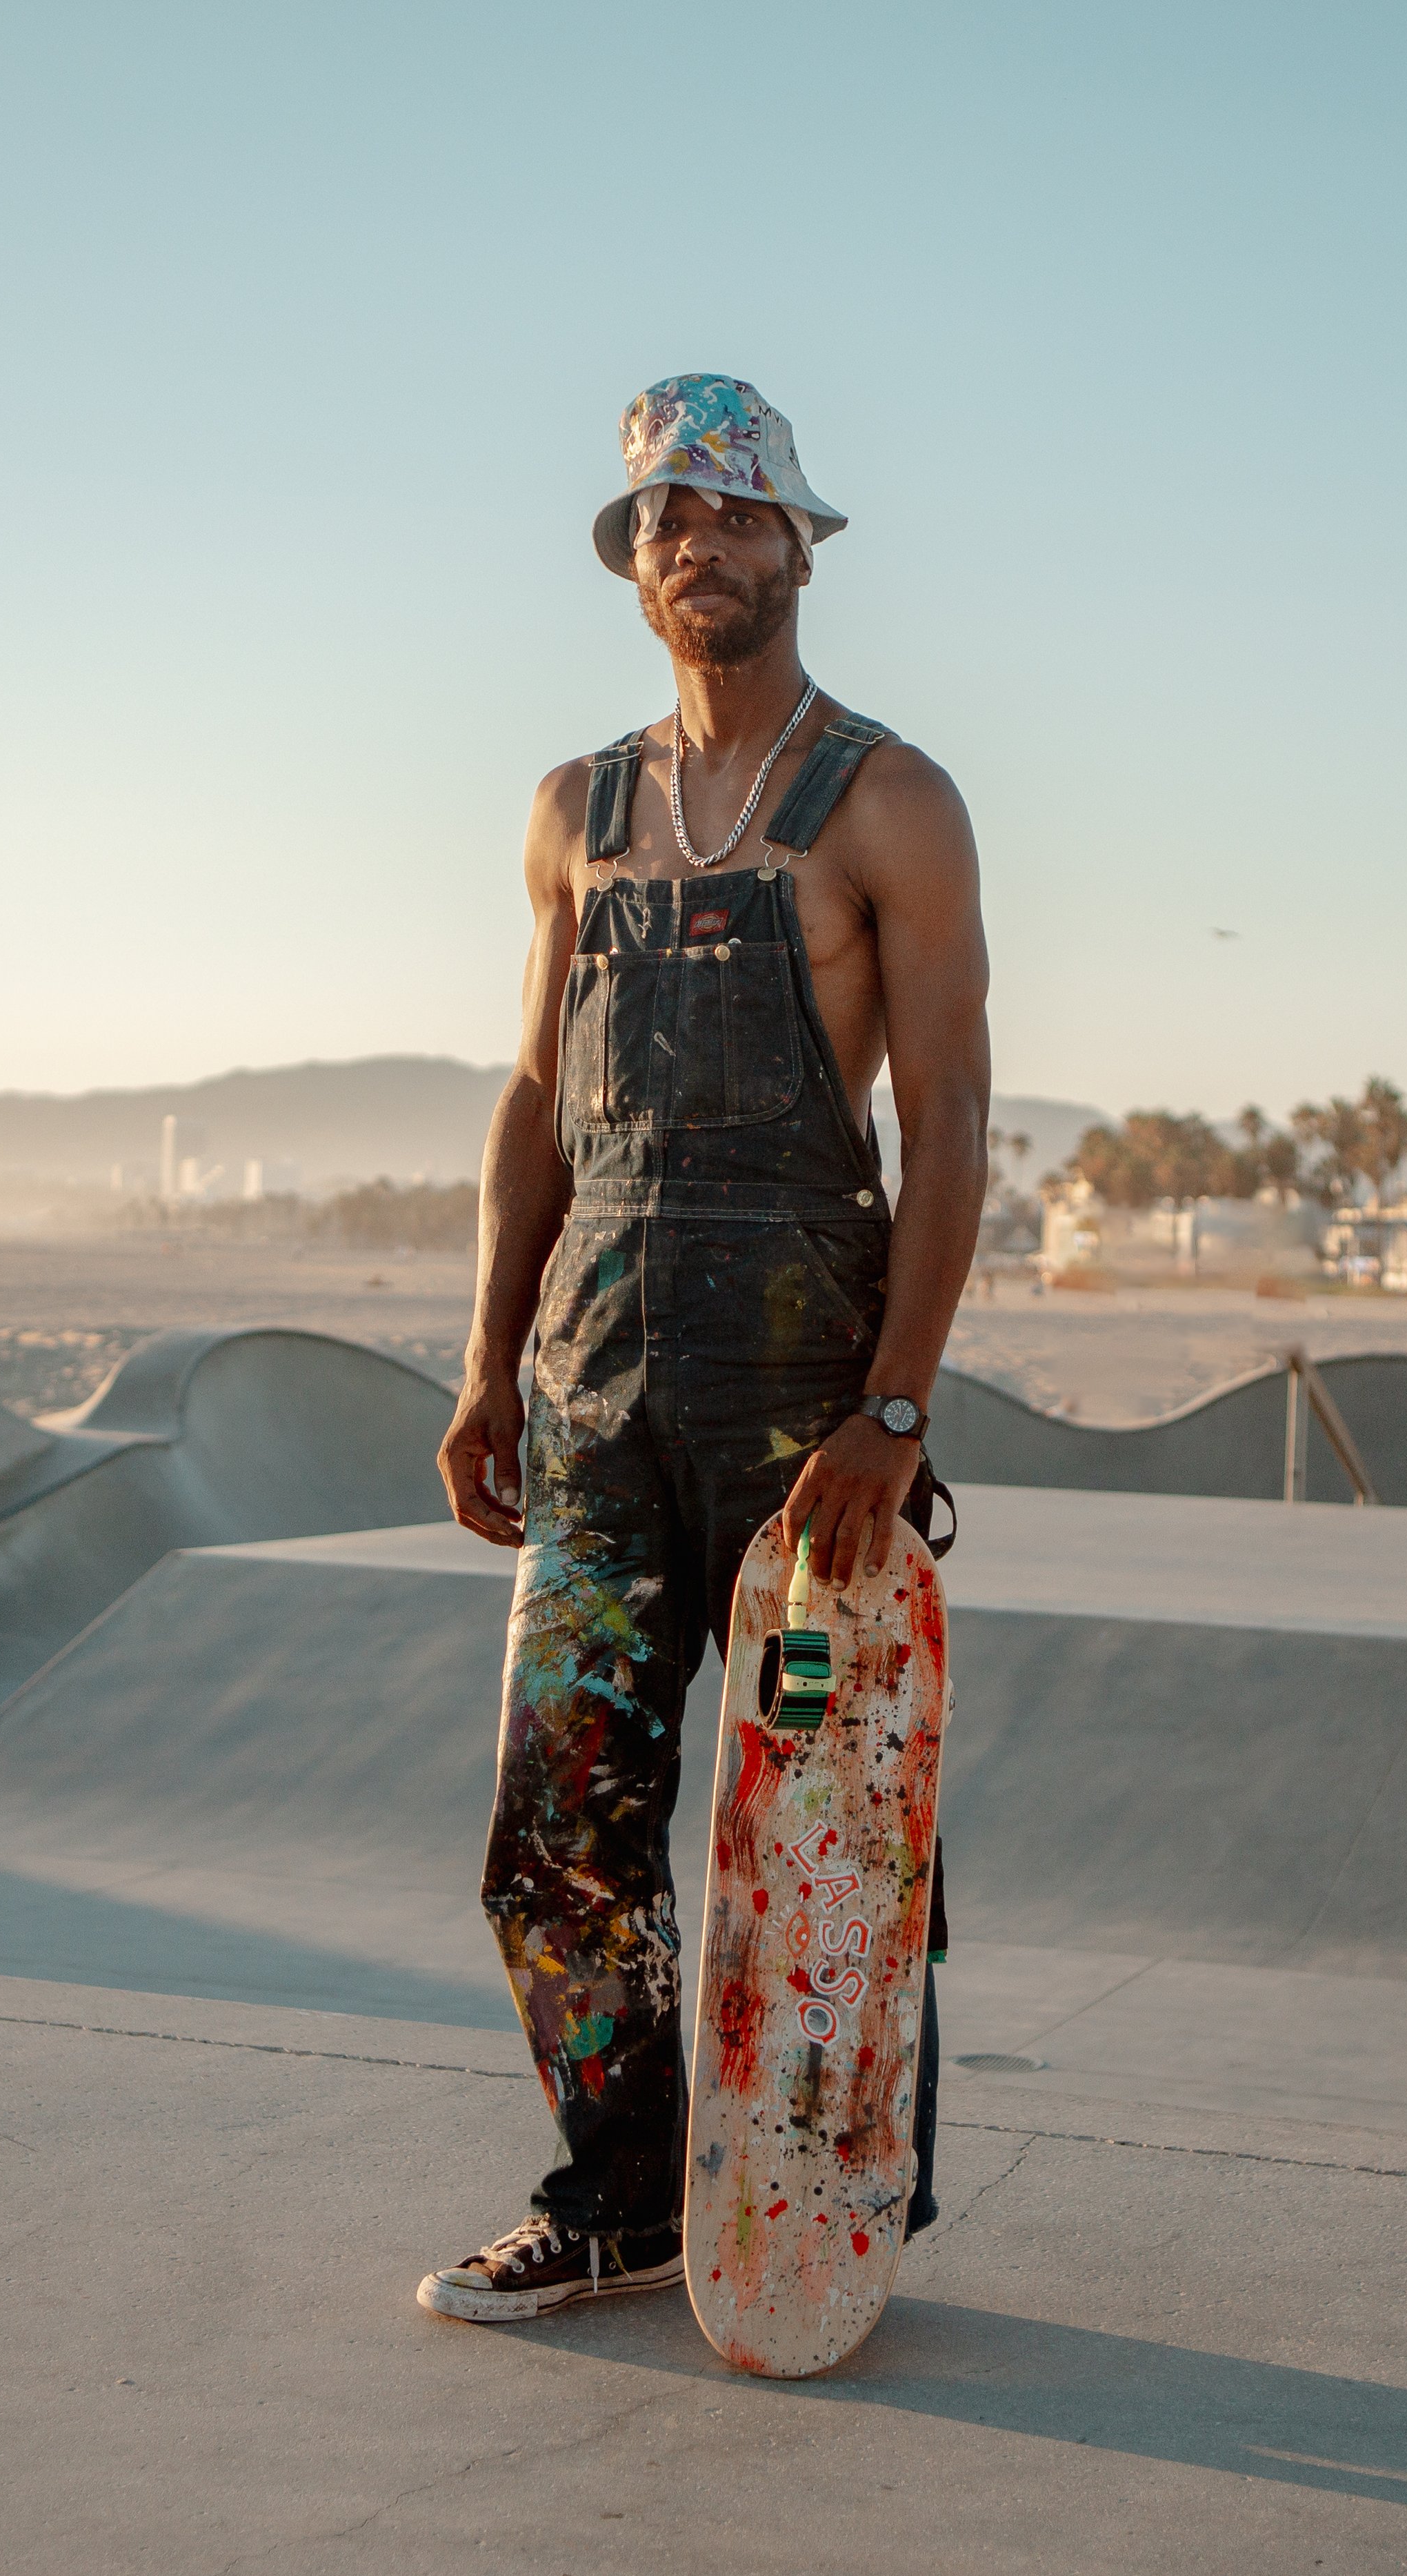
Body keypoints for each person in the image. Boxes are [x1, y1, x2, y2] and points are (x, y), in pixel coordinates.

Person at [418, 375, 990, 2321]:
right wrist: (488, 1367)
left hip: (800, 1424)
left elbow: (954, 1124)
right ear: (632, 560)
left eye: (737, 515)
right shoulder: (571, 810)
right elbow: (528, 1104)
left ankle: (824, 2199)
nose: (699, 543)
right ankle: (621, 2196)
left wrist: (890, 1412)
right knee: (550, 1833)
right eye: (666, 517)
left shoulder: (887, 799)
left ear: (798, 545)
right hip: (590, 1404)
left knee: (829, 1827)